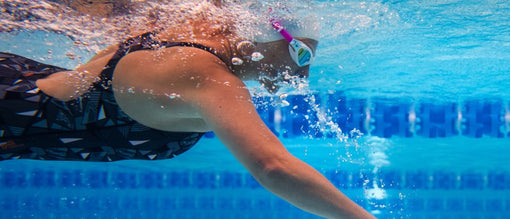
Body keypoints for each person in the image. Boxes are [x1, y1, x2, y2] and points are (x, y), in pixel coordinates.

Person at [0, 1, 375, 219]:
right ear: (271, 36)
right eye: (302, 54)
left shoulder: (192, 56)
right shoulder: (206, 75)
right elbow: (273, 167)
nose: (303, 75)